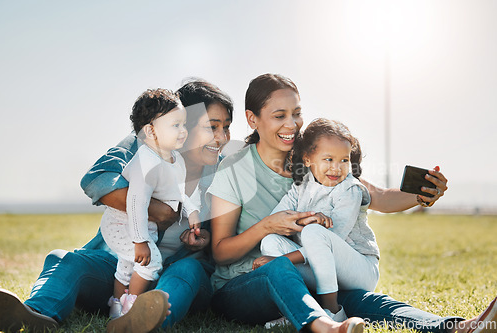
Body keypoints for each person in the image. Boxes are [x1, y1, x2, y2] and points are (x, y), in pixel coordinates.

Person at [207, 73, 497, 333]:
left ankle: (458, 327)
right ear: (252, 119)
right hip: (245, 284)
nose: (292, 124)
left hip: (305, 274)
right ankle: (325, 327)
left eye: (296, 113)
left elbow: (377, 196)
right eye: (279, 115)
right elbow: (221, 253)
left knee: (361, 300)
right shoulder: (235, 169)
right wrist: (268, 226)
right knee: (278, 269)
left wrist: (421, 194)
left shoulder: (315, 157)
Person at [0, 79, 234, 333]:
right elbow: (97, 179)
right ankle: (36, 315)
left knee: (189, 268)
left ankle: (143, 322)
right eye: (212, 127)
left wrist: (203, 239)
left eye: (227, 128)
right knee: (65, 259)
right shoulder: (146, 145)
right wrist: (156, 210)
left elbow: (224, 241)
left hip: (175, 279)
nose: (221, 138)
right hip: (125, 272)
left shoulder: (224, 173)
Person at [254, 118, 380, 323]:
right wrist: (307, 219)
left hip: (359, 270)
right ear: (307, 159)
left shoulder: (350, 190)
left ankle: (332, 310)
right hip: (319, 264)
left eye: (344, 160)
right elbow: (276, 220)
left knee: (314, 233)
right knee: (269, 241)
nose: (336, 168)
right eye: (328, 159)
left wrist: (283, 260)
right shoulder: (301, 186)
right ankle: (301, 307)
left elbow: (328, 241)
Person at [101, 88, 200, 319]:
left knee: (126, 268)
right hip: (121, 225)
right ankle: (130, 310)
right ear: (150, 131)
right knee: (151, 263)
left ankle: (115, 307)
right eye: (175, 125)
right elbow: (136, 203)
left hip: (140, 226)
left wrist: (192, 210)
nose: (183, 131)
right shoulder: (146, 162)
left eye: (183, 124)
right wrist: (140, 241)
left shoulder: (176, 159)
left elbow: (178, 194)